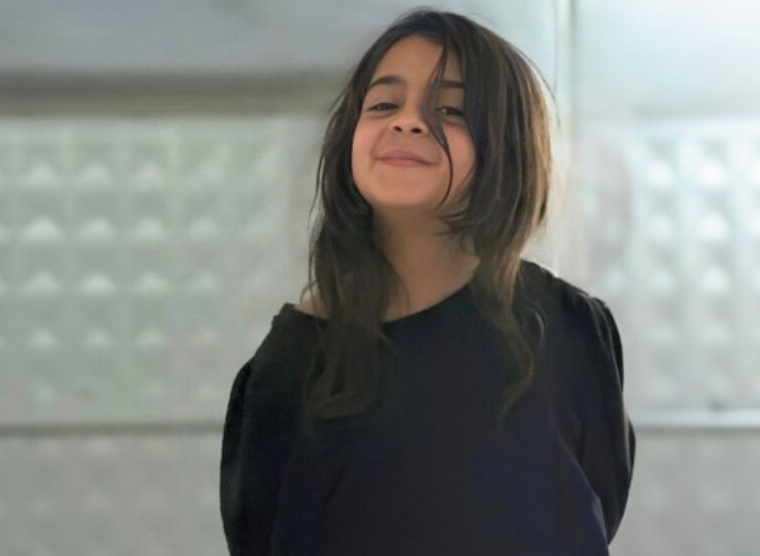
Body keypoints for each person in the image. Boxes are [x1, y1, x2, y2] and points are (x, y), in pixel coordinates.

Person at [220, 8, 635, 556]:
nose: (408, 122)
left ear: (507, 146)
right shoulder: (289, 365)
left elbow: (596, 512)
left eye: (450, 110)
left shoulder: (567, 329)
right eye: (383, 104)